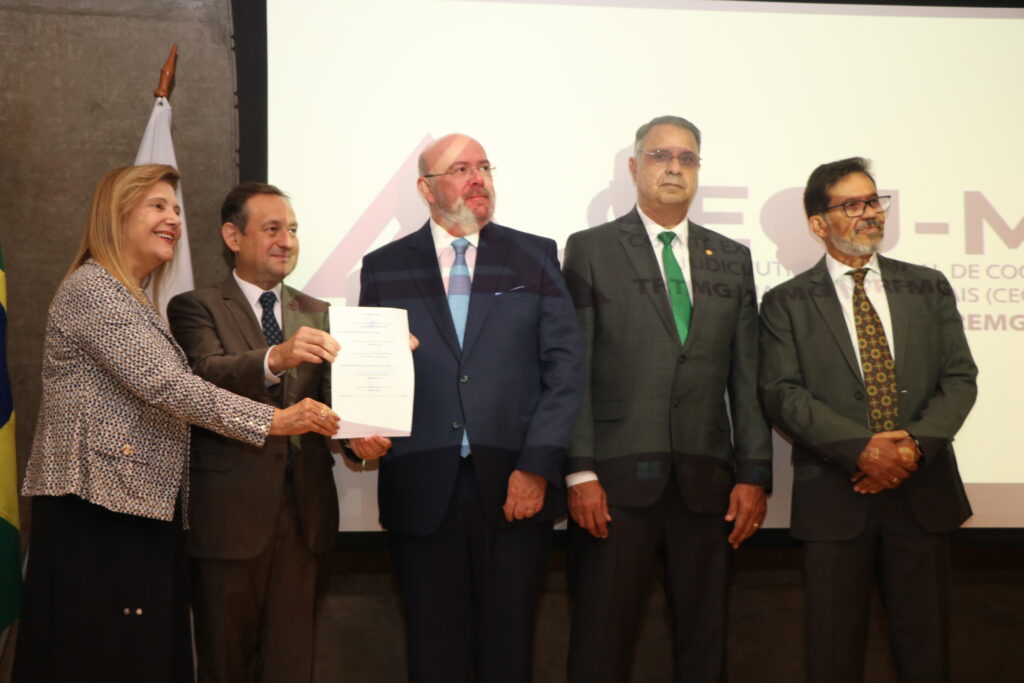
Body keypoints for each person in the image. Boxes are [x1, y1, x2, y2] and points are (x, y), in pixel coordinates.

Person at [13, 164, 339, 683]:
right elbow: (171, 387)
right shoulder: (95, 290)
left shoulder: (132, 297)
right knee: (97, 655)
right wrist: (274, 422)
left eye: (176, 210)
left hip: (134, 506)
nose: (172, 220)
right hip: (98, 509)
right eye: (157, 206)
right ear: (115, 216)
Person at [358, 133, 584, 683]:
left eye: (484, 167)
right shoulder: (384, 265)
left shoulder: (534, 254)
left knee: (508, 652)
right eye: (461, 169)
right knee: (434, 655)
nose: (478, 178)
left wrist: (535, 466)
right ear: (426, 188)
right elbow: (369, 366)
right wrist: (360, 432)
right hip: (421, 485)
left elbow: (565, 368)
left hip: (514, 486)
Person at [562, 115, 772, 682]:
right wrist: (579, 472)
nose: (674, 167)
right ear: (634, 168)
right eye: (660, 156)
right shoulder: (589, 250)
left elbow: (747, 376)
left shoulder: (731, 257)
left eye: (687, 158)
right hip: (613, 482)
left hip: (709, 486)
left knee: (705, 645)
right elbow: (572, 370)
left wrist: (755, 474)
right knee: (600, 640)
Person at [759, 157, 977, 683]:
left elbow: (959, 379)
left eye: (875, 201)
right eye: (852, 205)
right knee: (833, 654)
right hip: (837, 496)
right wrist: (863, 449)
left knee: (926, 654)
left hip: (922, 493)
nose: (870, 214)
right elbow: (782, 393)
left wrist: (913, 447)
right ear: (818, 224)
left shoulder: (928, 286)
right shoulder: (785, 303)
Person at [167, 182, 369, 683]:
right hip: (228, 519)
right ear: (232, 236)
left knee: (291, 664)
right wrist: (276, 357)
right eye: (273, 229)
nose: (287, 241)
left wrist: (359, 441)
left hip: (304, 519)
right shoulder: (196, 307)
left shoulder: (319, 311)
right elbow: (205, 375)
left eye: (294, 230)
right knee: (224, 663)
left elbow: (332, 407)